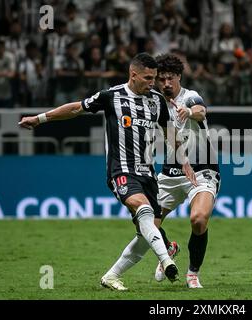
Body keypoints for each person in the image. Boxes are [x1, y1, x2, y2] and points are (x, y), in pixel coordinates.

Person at [18, 52, 197, 291]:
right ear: (133, 75)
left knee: (146, 233)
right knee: (142, 210)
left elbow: (170, 132)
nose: (152, 83)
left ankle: (111, 277)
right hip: (120, 170)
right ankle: (167, 261)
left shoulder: (156, 100)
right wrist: (39, 119)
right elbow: (75, 109)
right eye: (147, 78)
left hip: (148, 175)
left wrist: (184, 161)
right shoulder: (111, 96)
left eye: (154, 78)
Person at [153, 53, 221, 288]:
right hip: (170, 171)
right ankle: (168, 249)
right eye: (161, 80)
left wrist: (189, 112)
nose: (166, 84)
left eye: (170, 78)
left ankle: (192, 273)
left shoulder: (190, 96)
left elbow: (201, 110)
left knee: (199, 220)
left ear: (179, 77)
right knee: (146, 222)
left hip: (202, 170)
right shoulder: (154, 101)